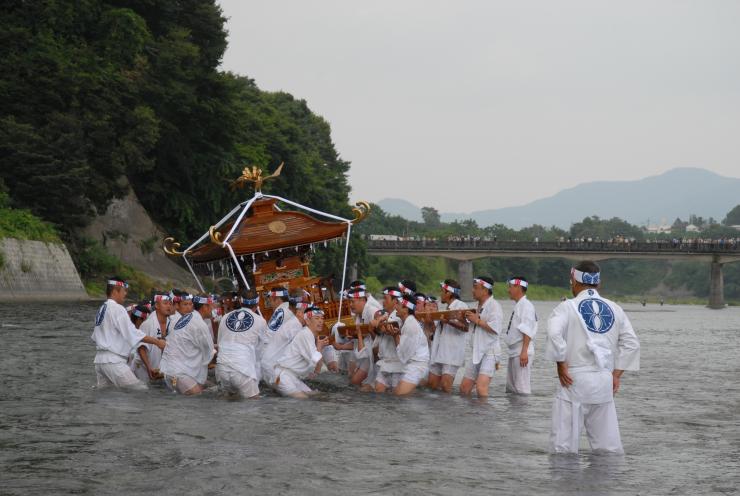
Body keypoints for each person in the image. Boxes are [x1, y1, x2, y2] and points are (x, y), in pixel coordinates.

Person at [545, 261, 640, 454]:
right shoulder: (615, 308)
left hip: (573, 379)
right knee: (608, 448)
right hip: (604, 380)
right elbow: (632, 344)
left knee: (563, 448)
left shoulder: (567, 307)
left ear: (574, 280)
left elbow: (554, 334)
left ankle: (564, 483)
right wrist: (616, 374)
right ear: (598, 283)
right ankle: (608, 483)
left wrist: (561, 363)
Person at [91, 277, 166, 390]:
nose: (125, 294)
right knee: (141, 390)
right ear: (116, 291)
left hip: (100, 361)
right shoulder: (118, 309)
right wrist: (157, 342)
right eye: (124, 291)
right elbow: (133, 333)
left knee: (107, 396)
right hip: (113, 362)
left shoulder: (102, 308)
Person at [158, 295, 216, 395]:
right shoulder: (200, 325)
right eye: (211, 306)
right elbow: (209, 355)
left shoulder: (186, 318)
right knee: (197, 398)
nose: (213, 309)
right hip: (179, 374)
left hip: (170, 371)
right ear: (205, 307)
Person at [271, 305, 331, 398]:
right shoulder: (305, 334)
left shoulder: (308, 334)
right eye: (317, 318)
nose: (320, 321)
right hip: (283, 376)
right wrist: (319, 347)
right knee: (304, 399)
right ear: (307, 321)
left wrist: (319, 348)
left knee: (318, 395)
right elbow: (316, 365)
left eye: (322, 318)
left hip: (290, 377)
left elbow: (316, 370)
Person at [216, 293, 265, 399]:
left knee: (229, 401)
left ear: (241, 302)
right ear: (257, 305)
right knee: (254, 403)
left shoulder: (225, 317)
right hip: (243, 370)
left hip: (222, 368)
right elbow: (261, 351)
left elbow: (220, 343)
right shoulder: (260, 321)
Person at [460, 276, 503, 397]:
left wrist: (476, 320)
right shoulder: (477, 306)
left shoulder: (494, 306)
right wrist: (464, 320)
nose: (472, 291)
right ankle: (471, 414)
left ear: (485, 290)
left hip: (490, 352)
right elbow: (474, 329)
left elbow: (496, 329)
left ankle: (485, 415)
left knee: (481, 388)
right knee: (464, 388)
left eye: (475, 288)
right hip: (476, 351)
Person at [428, 279, 468, 392]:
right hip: (439, 352)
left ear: (449, 293)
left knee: (446, 387)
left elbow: (466, 327)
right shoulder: (446, 308)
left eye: (442, 291)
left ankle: (449, 409)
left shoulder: (461, 306)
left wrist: (449, 321)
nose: (440, 294)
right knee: (432, 384)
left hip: (452, 354)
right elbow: (439, 331)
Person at [387, 294, 430, 396]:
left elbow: (403, 356)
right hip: (415, 364)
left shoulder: (410, 325)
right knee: (399, 394)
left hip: (417, 366)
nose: (395, 307)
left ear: (406, 309)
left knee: (399, 396)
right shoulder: (407, 322)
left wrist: (395, 336)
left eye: (398, 304)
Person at [259, 287, 303, 385]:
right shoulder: (289, 309)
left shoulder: (281, 311)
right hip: (280, 361)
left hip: (272, 361)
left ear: (278, 299)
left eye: (270, 300)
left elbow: (267, 337)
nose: (270, 303)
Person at [130, 291, 174, 382]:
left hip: (163, 371)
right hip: (144, 370)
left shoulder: (173, 323)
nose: (168, 306)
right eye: (165, 303)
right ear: (157, 305)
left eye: (170, 304)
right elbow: (141, 348)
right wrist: (149, 368)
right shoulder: (148, 324)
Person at [504, 276, 538, 395]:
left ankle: (524, 413)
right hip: (515, 351)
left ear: (518, 287)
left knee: (522, 389)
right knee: (512, 389)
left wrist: (524, 351)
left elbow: (527, 329)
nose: (508, 290)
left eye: (510, 287)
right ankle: (513, 414)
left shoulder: (526, 306)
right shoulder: (519, 305)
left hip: (521, 351)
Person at [346, 287, 381, 389]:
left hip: (376, 355)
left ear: (362, 300)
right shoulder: (358, 316)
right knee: (355, 383)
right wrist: (355, 336)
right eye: (349, 302)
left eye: (352, 301)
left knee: (355, 382)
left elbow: (381, 334)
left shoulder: (372, 311)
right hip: (366, 353)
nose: (350, 305)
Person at [372, 287, 404, 392]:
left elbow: (383, 328)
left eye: (386, 298)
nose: (383, 301)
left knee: (396, 398)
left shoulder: (399, 316)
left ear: (395, 301)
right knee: (378, 390)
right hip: (385, 363)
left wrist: (377, 322)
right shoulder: (386, 315)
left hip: (397, 364)